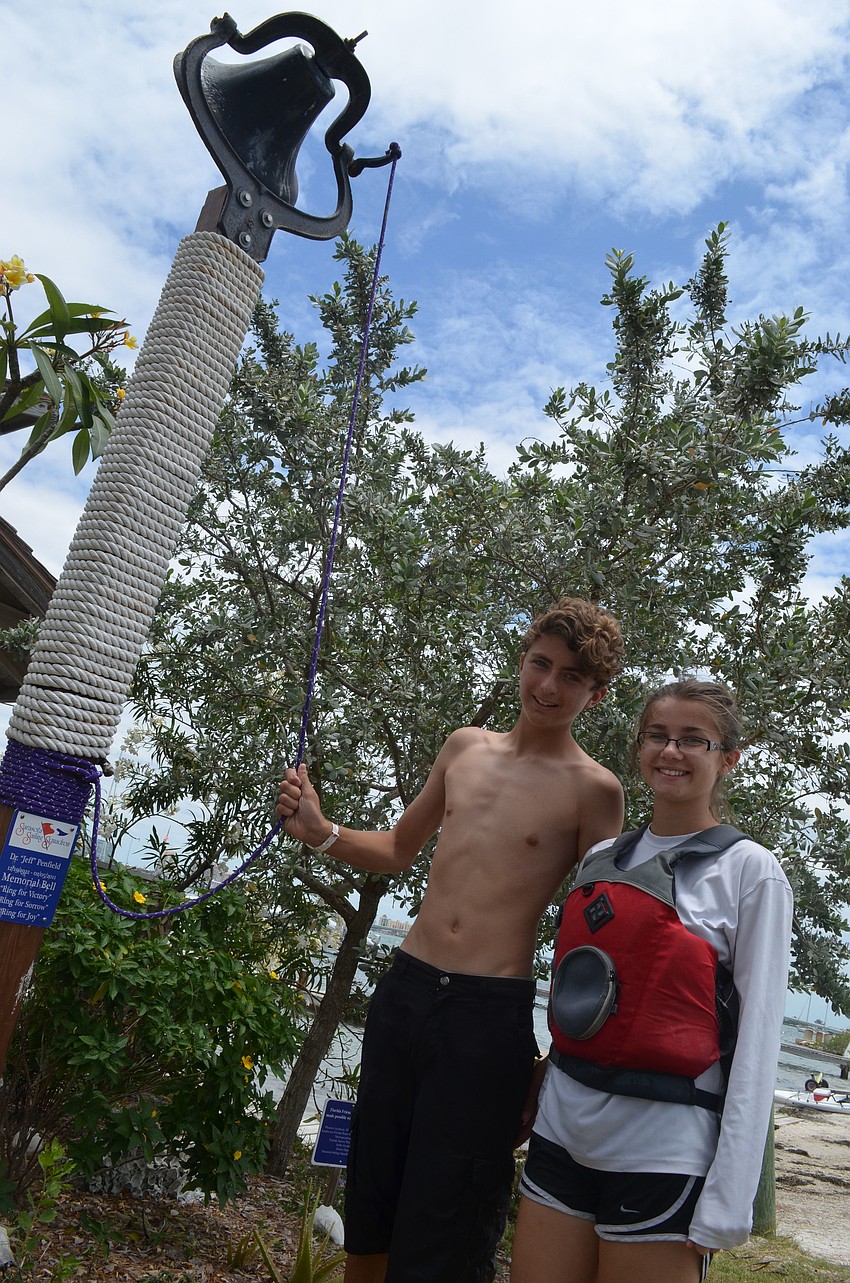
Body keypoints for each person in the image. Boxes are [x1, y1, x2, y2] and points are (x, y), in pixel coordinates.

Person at [276, 597, 625, 1283]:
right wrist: (321, 830)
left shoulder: (596, 790)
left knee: (453, 1215)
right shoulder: (466, 746)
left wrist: (554, 1058)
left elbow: (591, 940)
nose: (549, 686)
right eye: (541, 663)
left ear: (597, 692)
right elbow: (401, 846)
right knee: (372, 1189)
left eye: (573, 676)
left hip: (487, 1013)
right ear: (523, 658)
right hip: (405, 989)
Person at [510, 678, 794, 1283]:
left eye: (695, 740)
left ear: (728, 759)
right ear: (639, 748)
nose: (672, 752)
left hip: (664, 1154)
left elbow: (758, 1046)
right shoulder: (603, 857)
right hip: (562, 1136)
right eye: (658, 737)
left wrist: (728, 1202)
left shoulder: (750, 872)